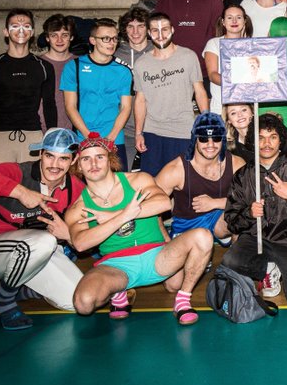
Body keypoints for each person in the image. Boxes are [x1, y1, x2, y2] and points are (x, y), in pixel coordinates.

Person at [67, 134, 213, 325]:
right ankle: (118, 291)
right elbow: (80, 243)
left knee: (202, 238)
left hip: (158, 256)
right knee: (83, 303)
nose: (93, 163)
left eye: (100, 157)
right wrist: (122, 217)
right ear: (79, 165)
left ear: (110, 159)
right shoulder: (78, 207)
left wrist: (113, 215)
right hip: (116, 266)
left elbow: (163, 203)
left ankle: (183, 301)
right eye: (86, 159)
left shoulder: (137, 180)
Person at [0, 128, 84, 329]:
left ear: (74, 160)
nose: (55, 165)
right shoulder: (19, 173)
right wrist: (20, 192)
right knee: (45, 242)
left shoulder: (75, 188)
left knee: (76, 299)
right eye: (49, 156)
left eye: (63, 158)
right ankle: (4, 299)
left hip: (31, 252)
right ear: (40, 154)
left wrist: (70, 236)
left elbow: (89, 234)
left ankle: (23, 290)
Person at [221, 113, 287, 304]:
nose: (266, 143)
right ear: (253, 141)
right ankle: (267, 268)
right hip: (257, 239)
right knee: (230, 261)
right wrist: (249, 214)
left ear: (280, 141)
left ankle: (283, 267)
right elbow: (231, 221)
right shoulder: (244, 175)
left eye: (272, 137)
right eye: (261, 137)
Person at [0, 9, 57, 164]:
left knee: (34, 180)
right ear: (6, 32)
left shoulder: (44, 67)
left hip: (33, 137)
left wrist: (52, 141)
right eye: (15, 26)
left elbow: (49, 105)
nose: (21, 30)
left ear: (32, 32)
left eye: (26, 26)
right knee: (0, 180)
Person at [132, 13, 209, 177]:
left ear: (172, 30)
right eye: (155, 30)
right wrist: (138, 133)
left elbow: (199, 90)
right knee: (151, 183)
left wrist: (206, 121)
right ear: (149, 33)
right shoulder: (141, 64)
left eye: (165, 29)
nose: (160, 35)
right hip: (153, 131)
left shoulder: (188, 56)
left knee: (183, 181)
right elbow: (140, 100)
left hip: (183, 130)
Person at [155, 112, 245, 240]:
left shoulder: (236, 164)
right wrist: (166, 241)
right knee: (202, 238)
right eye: (204, 138)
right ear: (195, 139)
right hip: (188, 228)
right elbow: (152, 205)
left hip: (218, 222)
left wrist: (216, 203)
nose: (210, 144)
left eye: (216, 138)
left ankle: (236, 253)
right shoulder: (175, 170)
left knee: (242, 216)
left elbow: (250, 199)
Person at [61, 18, 133, 165]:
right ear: (93, 40)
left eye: (114, 38)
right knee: (86, 179)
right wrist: (89, 136)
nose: (111, 43)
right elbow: (70, 107)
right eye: (106, 38)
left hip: (114, 139)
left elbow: (126, 107)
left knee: (119, 180)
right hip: (83, 138)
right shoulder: (74, 66)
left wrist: (111, 137)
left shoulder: (123, 71)